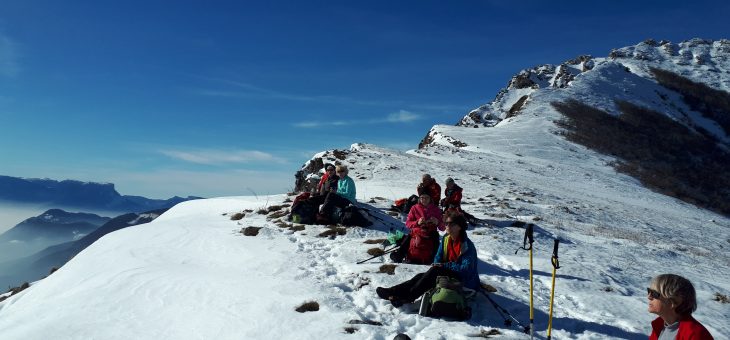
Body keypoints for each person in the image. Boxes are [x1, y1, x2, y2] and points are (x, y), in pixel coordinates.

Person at [376, 213, 478, 306]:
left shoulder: (467, 246)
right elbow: (438, 255)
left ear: (460, 227)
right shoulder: (447, 239)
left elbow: (466, 269)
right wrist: (438, 263)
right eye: (446, 223)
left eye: (451, 224)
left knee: (434, 272)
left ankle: (408, 297)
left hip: (464, 280)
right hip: (450, 273)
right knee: (422, 276)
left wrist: (444, 266)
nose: (447, 226)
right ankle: (393, 291)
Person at [647, 274, 714, 340]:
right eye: (649, 291)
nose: (649, 297)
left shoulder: (696, 335)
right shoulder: (659, 326)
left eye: (654, 293)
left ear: (674, 302)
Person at [404, 193, 443, 264]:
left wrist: (437, 222)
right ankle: (400, 255)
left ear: (430, 198)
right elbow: (408, 224)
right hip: (417, 232)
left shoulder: (436, 209)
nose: (424, 200)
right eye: (422, 197)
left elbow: (443, 228)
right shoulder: (414, 208)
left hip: (431, 232)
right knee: (408, 238)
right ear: (419, 198)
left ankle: (435, 259)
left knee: (435, 238)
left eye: (426, 198)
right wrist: (417, 222)